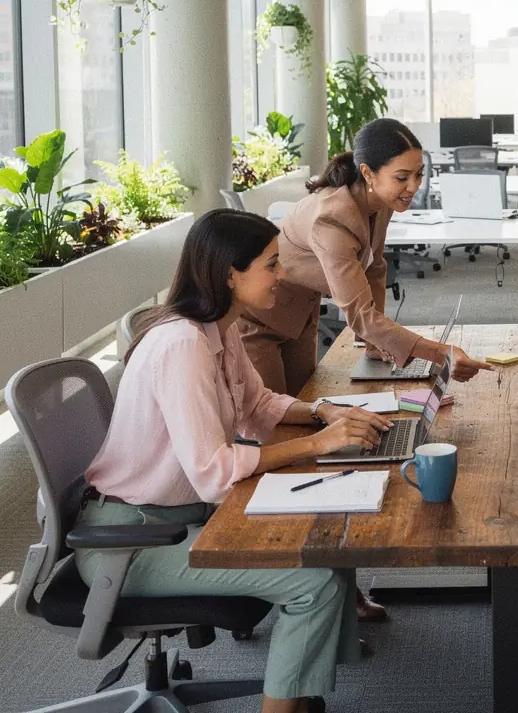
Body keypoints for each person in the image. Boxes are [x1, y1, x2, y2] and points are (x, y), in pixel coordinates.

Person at [75, 210, 394, 713]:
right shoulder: (181, 345)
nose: (284, 276)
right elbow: (213, 471)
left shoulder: (217, 328)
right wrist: (316, 444)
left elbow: (258, 405)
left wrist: (321, 411)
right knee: (311, 582)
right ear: (229, 274)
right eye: (272, 265)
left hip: (182, 517)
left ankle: (306, 680)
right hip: (131, 542)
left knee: (327, 531)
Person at [240, 118, 493, 399]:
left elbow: (374, 268)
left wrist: (374, 342)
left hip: (300, 315)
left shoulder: (380, 203)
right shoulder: (331, 219)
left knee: (304, 403)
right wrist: (440, 352)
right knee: (273, 421)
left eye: (419, 175)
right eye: (402, 177)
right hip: (260, 319)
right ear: (369, 174)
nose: (414, 187)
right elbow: (360, 314)